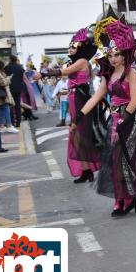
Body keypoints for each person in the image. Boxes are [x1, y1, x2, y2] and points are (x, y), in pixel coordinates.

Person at [74, 11, 136, 215]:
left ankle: (128, 198)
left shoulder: (131, 72)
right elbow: (96, 97)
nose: (113, 58)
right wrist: (78, 117)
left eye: (116, 54)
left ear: (124, 53)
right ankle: (125, 197)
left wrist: (123, 121)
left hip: (131, 120)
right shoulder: (109, 74)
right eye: (110, 55)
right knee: (115, 161)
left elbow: (135, 100)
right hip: (116, 120)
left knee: (124, 160)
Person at [42, 26, 102, 183]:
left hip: (80, 101)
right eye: (69, 46)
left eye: (73, 46)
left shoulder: (82, 61)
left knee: (80, 136)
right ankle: (86, 170)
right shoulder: (77, 62)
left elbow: (64, 72)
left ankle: (88, 170)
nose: (70, 49)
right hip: (74, 99)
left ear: (81, 48)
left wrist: (42, 73)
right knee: (77, 137)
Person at [0, 60, 18, 133]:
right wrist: (9, 78)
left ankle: (1, 125)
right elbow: (3, 82)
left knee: (1, 109)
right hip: (2, 94)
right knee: (6, 108)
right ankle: (9, 125)